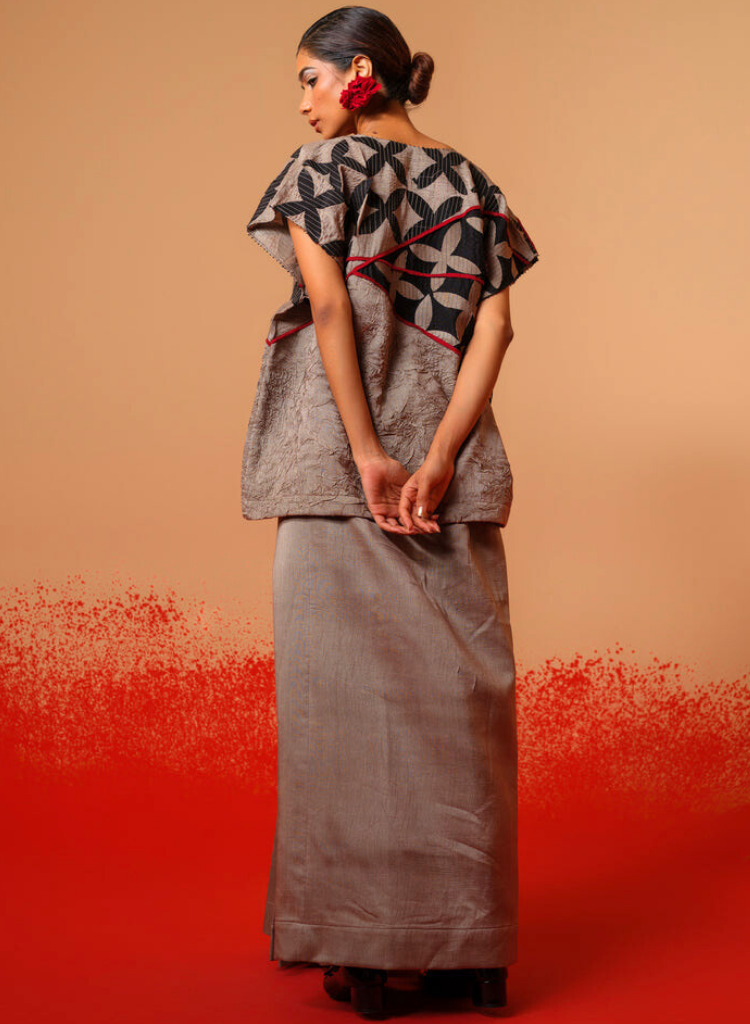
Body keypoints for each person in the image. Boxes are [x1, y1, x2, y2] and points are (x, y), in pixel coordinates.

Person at [241, 6, 540, 1017]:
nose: (302, 102)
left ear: (359, 71)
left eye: (310, 78)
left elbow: (331, 307)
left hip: (339, 475)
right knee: (458, 713)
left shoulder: (318, 171)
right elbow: (496, 329)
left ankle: (365, 951)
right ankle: (471, 954)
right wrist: (441, 454)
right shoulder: (476, 185)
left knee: (338, 713)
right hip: (449, 481)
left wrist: (369, 452)